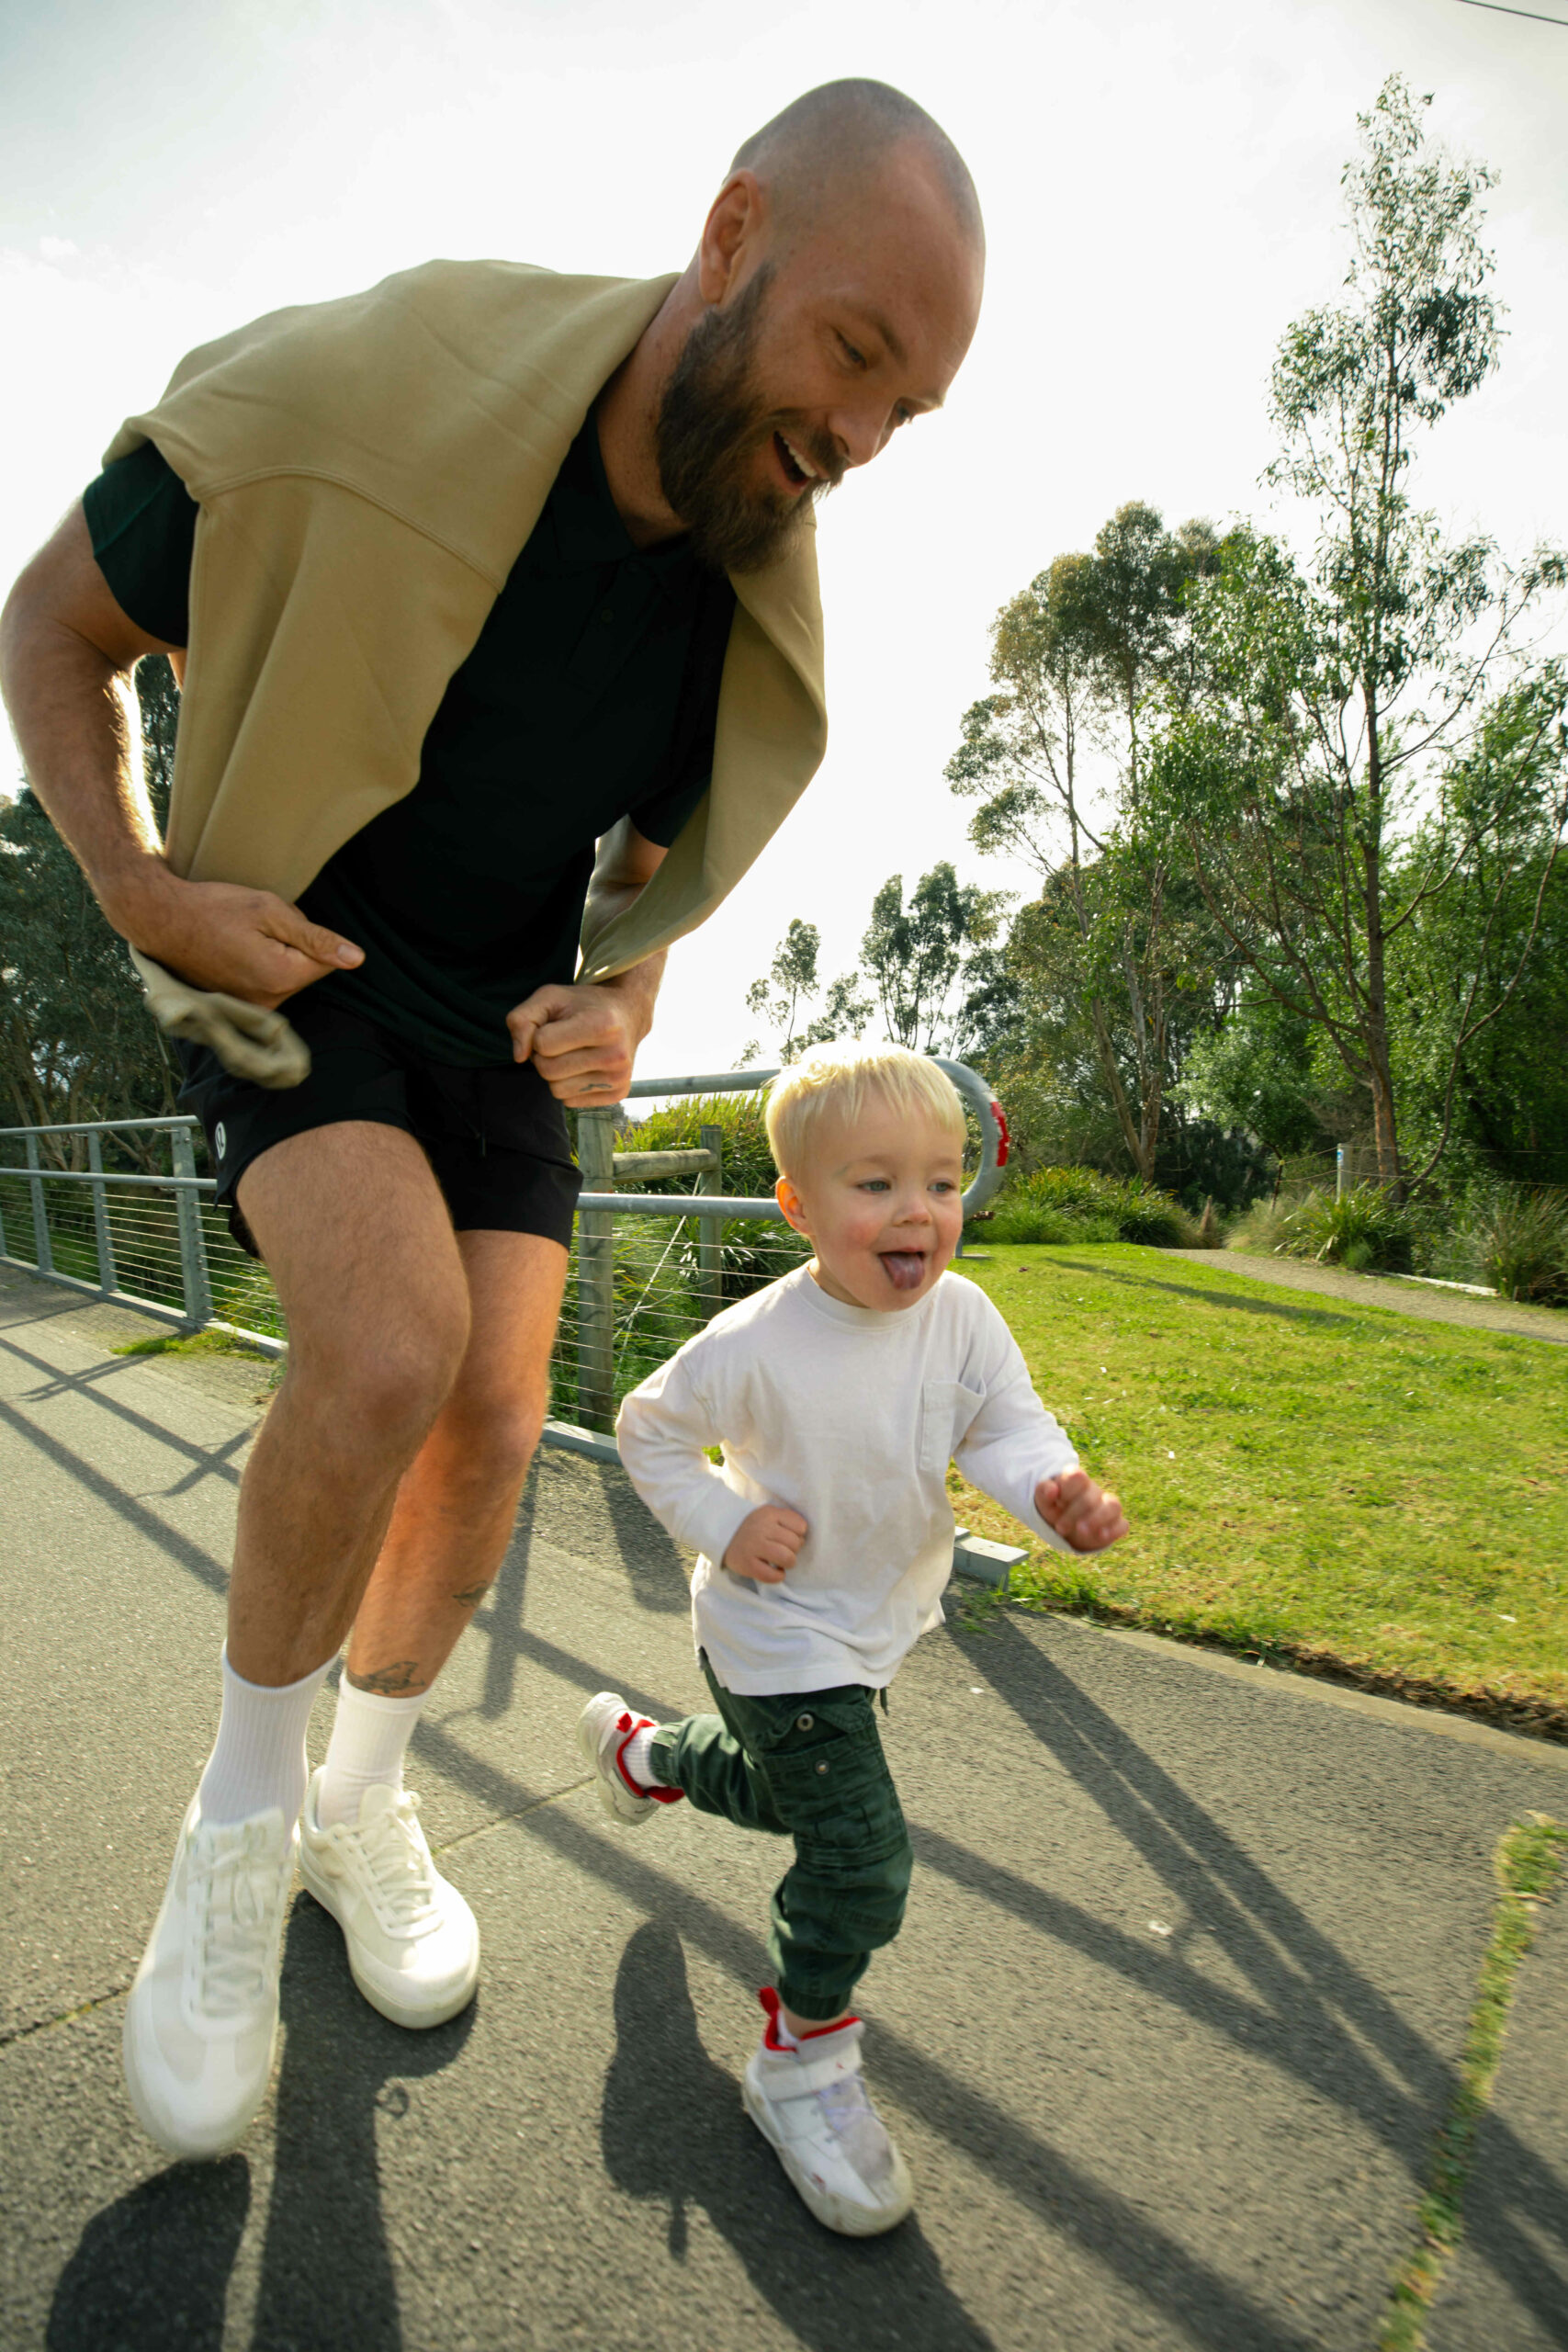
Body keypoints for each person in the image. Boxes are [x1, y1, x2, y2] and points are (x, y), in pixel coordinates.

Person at [0, 83, 986, 2160]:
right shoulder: (366, 392)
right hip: (295, 943)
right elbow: (53, 625)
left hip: (499, 1016)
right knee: (383, 1345)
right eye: (853, 357)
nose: (863, 440)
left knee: (495, 1406)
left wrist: (626, 997)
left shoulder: (739, 575)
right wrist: (139, 887)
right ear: (727, 238)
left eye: (914, 410)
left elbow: (655, 871)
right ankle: (237, 1825)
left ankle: (362, 1798)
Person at [582, 1043, 1129, 2234]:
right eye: (873, 1184)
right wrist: (725, 1522)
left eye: (941, 1181)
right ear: (799, 1207)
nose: (918, 1211)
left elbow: (1005, 1429)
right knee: (861, 1859)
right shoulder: (759, 1342)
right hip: (774, 1639)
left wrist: (1052, 1492)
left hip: (873, 1627)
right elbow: (648, 1430)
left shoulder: (963, 1319)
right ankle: (803, 2065)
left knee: (794, 1806)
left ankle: (647, 1756)